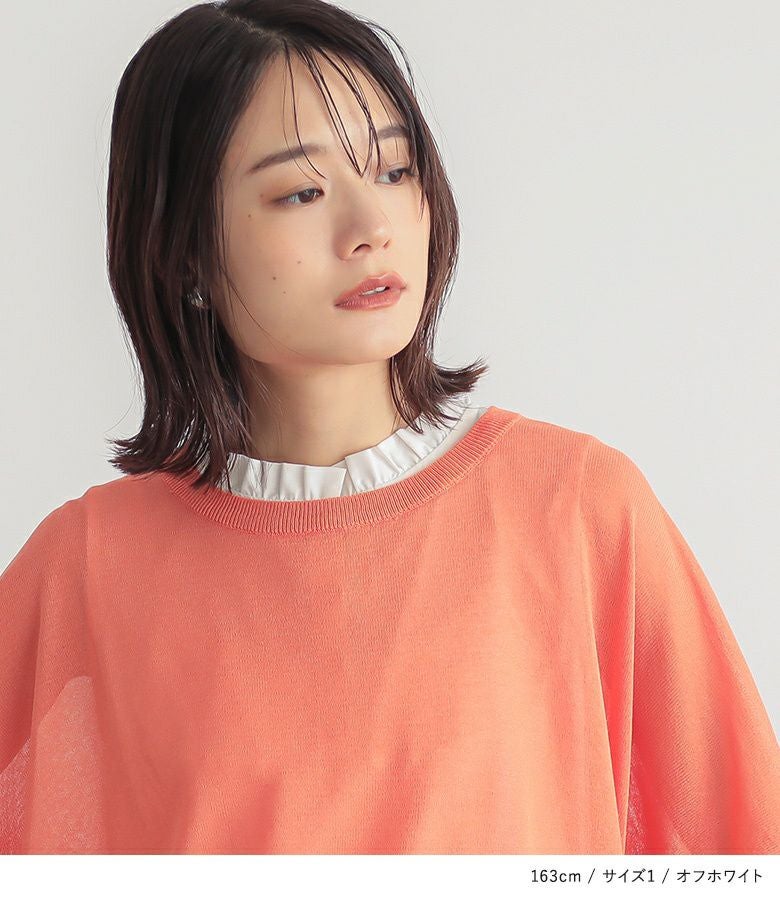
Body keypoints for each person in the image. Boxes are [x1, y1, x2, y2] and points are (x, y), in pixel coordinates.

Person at [1, 0, 778, 855]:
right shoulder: (88, 565)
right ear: (183, 251)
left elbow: (744, 846)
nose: (372, 228)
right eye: (301, 192)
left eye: (396, 171)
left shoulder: (577, 507)